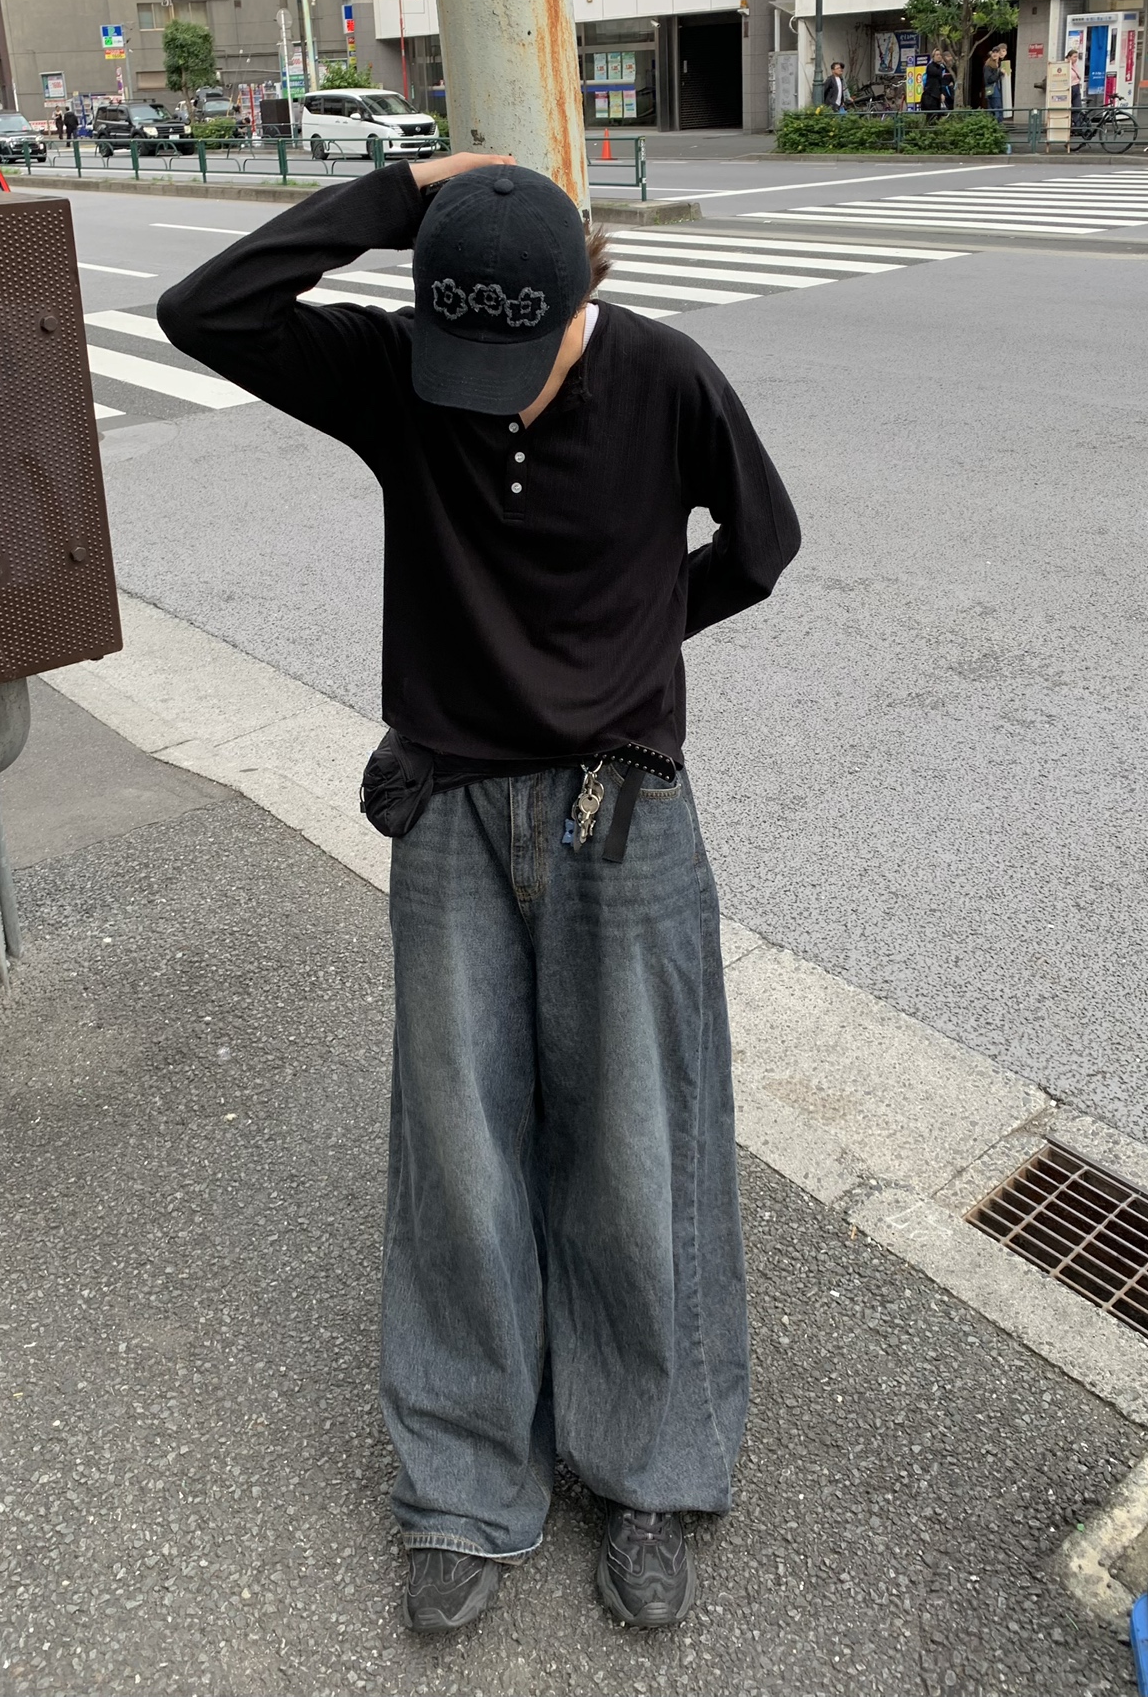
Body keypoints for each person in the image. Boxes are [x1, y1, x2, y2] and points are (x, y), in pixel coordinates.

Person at [158, 151, 800, 1634]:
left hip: (624, 809)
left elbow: (761, 546)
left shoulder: (665, 376)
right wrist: (391, 195)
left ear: (583, 296)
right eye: (469, 359)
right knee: (457, 1148)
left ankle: (650, 1465)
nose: (491, 396)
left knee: (638, 1143)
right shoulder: (406, 371)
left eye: (523, 358)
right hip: (448, 810)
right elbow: (208, 310)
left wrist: (640, 634)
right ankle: (462, 1482)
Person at [920, 47, 947, 118]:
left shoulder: (940, 67)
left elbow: (941, 82)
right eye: (937, 55)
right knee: (931, 116)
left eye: (940, 55)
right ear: (933, 56)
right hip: (930, 96)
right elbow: (937, 73)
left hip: (937, 96)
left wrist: (942, 93)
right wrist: (943, 66)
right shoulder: (930, 66)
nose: (939, 56)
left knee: (938, 116)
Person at [984, 48, 1005, 121]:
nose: (995, 54)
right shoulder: (988, 65)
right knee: (997, 109)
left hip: (995, 89)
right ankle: (997, 124)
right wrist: (1000, 73)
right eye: (993, 52)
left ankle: (994, 124)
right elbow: (989, 79)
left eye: (997, 52)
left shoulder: (998, 64)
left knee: (994, 110)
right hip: (993, 90)